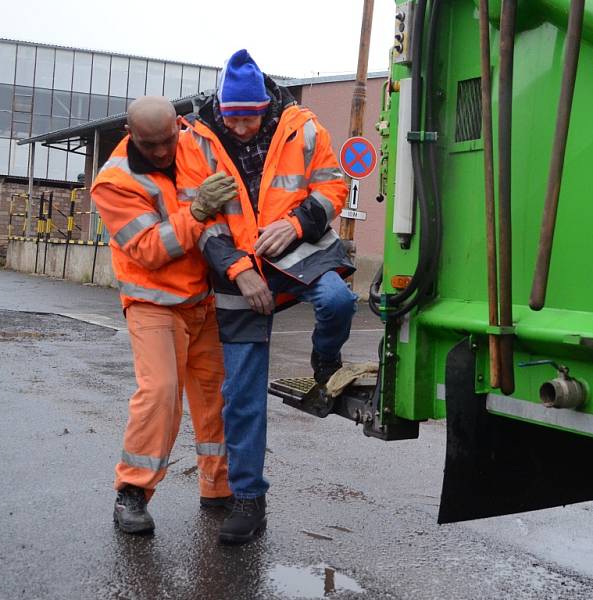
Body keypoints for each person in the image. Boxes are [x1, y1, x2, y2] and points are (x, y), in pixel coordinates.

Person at [180, 50, 356, 545]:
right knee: (241, 397)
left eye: (250, 115)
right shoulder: (196, 141)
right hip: (237, 271)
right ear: (219, 106)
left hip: (295, 252)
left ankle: (326, 363)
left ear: (267, 103)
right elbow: (204, 222)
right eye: (233, 116)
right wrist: (239, 270)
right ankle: (249, 501)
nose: (241, 127)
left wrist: (297, 223)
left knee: (339, 300)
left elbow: (332, 186)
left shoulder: (305, 129)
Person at [91, 96, 239, 534]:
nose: (160, 152)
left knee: (217, 399)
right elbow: (151, 250)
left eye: (166, 140)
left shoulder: (194, 144)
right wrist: (196, 213)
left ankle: (218, 489)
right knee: (160, 394)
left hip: (201, 301)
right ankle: (131, 494)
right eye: (149, 144)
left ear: (179, 125)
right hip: (153, 303)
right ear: (130, 135)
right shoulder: (114, 183)